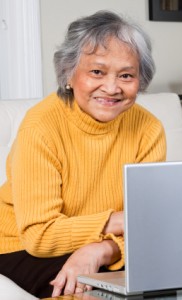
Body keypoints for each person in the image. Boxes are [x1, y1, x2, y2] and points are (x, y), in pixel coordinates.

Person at [0, 10, 166, 298]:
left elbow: (149, 227)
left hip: (98, 247)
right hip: (19, 246)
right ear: (69, 73)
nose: (112, 88)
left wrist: (101, 250)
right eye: (97, 72)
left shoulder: (148, 129)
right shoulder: (41, 126)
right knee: (100, 291)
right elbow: (40, 235)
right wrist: (117, 221)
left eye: (126, 75)